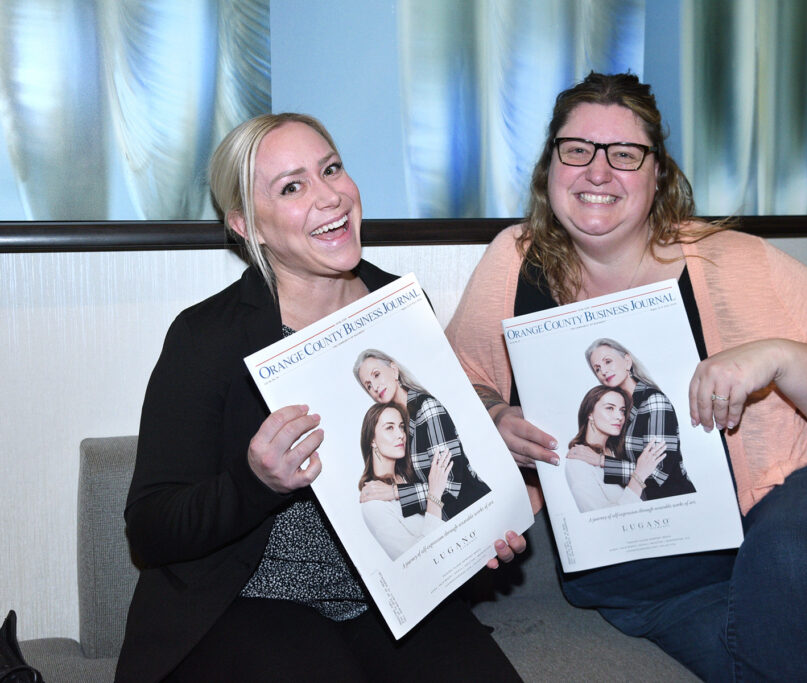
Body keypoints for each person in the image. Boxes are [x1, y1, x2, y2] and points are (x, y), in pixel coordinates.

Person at [445, 72, 807, 680]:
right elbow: (455, 380)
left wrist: (779, 357)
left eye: (625, 154)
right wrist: (494, 414)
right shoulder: (514, 261)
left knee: (785, 565)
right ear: (550, 168)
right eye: (577, 149)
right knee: (788, 641)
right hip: (652, 579)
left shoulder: (732, 261)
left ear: (658, 174)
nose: (598, 171)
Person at [116, 112, 524, 683]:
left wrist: (473, 534)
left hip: (392, 597)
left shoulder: (401, 309)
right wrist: (253, 483)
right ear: (247, 225)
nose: (329, 196)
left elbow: (431, 459)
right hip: (251, 604)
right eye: (292, 187)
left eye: (330, 169)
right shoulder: (206, 337)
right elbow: (150, 527)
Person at [354, 349, 491, 519]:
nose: (375, 387)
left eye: (376, 375)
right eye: (368, 386)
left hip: (478, 511)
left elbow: (450, 484)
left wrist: (394, 492)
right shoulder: (399, 426)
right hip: (449, 523)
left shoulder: (427, 409)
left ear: (394, 370)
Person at [568, 338, 696, 498]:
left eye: (608, 361)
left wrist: (601, 461)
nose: (604, 371)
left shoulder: (653, 401)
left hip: (676, 499)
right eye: (598, 369)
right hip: (642, 504)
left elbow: (658, 473)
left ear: (627, 361)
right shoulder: (620, 411)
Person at [358, 402, 451, 560]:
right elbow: (417, 561)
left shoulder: (413, 473)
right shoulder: (373, 505)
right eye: (389, 427)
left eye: (401, 427)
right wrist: (434, 495)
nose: (401, 434)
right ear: (372, 439)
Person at [564, 385, 667, 512]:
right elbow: (600, 518)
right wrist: (639, 476)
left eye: (622, 410)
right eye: (610, 408)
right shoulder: (578, 462)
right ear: (590, 413)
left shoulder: (620, 452)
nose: (620, 417)